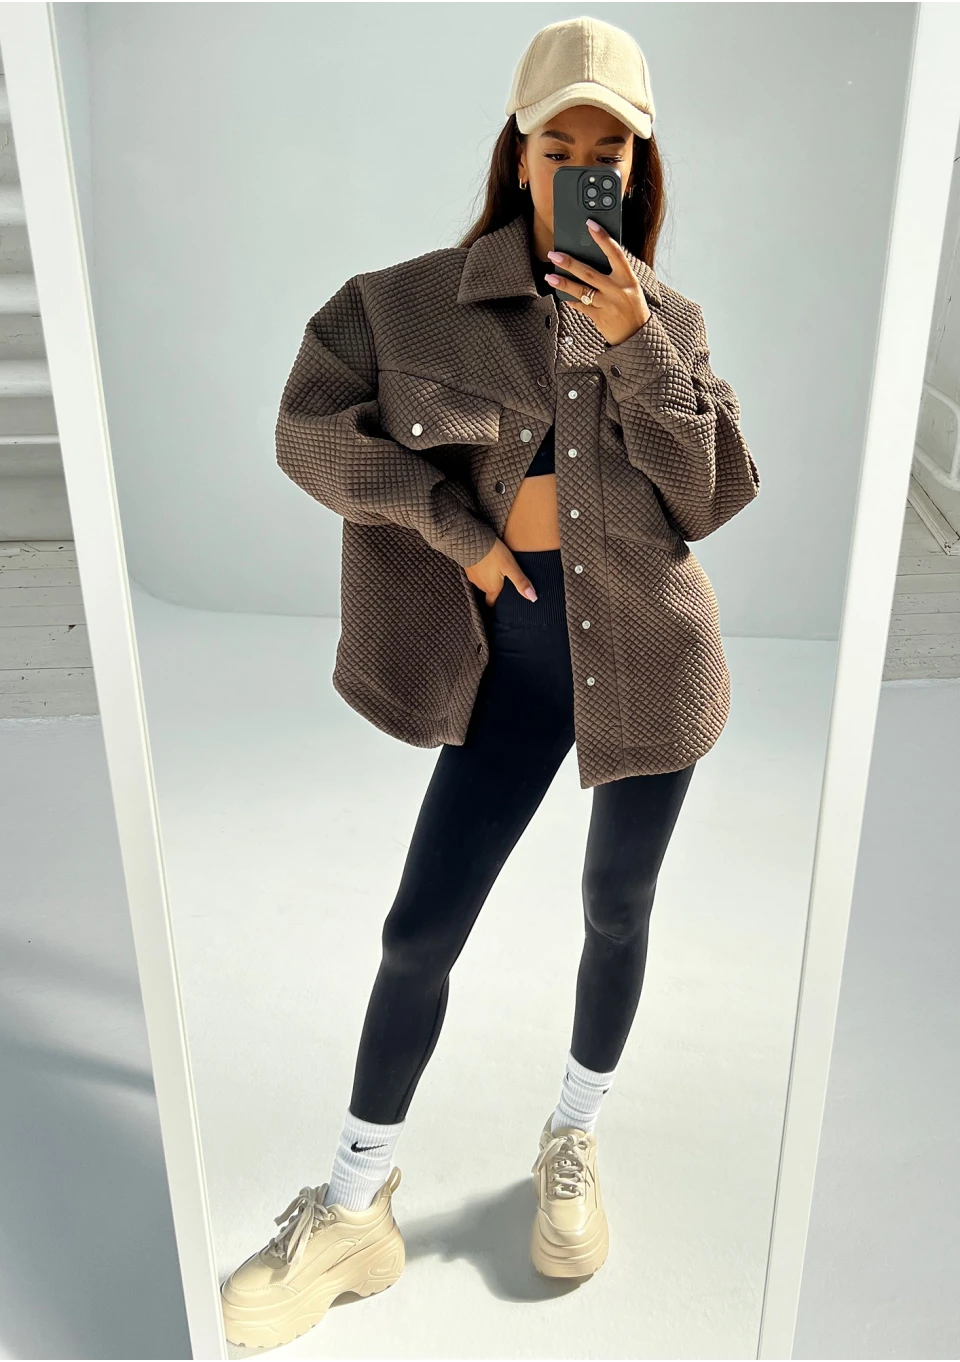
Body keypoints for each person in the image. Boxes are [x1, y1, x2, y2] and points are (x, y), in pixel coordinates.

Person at [220, 14, 759, 1349]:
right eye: (556, 144)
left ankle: (572, 1136)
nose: (582, 168)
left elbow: (712, 496)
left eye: (608, 151)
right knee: (419, 933)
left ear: (638, 168)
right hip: (509, 666)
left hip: (654, 661)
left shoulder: (673, 321)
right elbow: (305, 432)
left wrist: (639, 343)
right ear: (517, 154)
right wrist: (451, 526)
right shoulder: (402, 305)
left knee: (615, 908)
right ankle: (354, 1205)